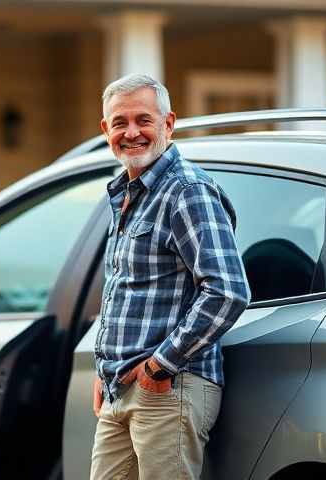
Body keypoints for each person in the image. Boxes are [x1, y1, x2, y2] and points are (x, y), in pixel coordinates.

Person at [90, 73, 251, 480]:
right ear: (106, 129)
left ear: (168, 123)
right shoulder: (127, 193)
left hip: (169, 389)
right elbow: (127, 290)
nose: (132, 133)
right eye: (120, 123)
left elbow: (228, 291)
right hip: (120, 387)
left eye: (143, 120)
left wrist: (161, 365)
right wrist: (106, 368)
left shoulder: (187, 191)